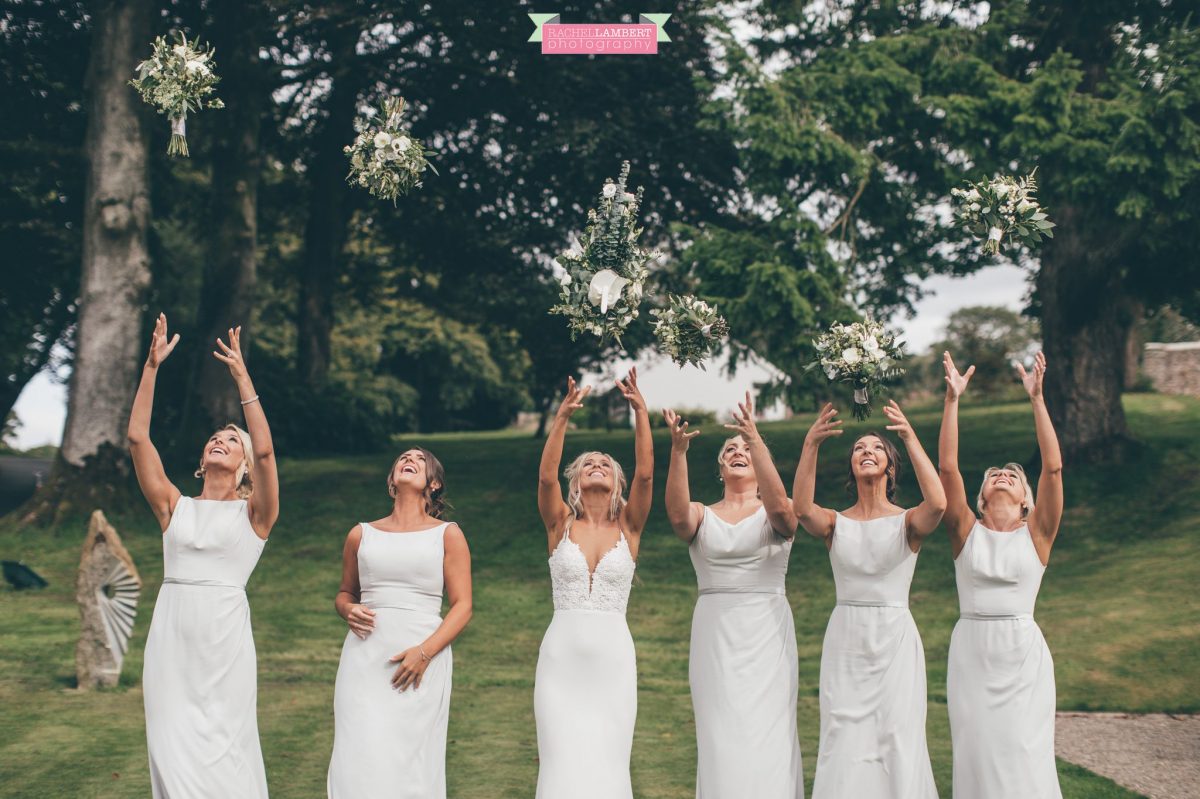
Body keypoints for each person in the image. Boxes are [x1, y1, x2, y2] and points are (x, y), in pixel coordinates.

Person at [130, 315, 278, 798]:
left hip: (224, 640)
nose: (221, 440)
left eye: (233, 440)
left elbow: (269, 454)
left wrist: (241, 377)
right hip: (171, 638)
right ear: (202, 457)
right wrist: (151, 367)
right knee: (171, 750)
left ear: (243, 466)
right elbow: (137, 439)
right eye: (216, 436)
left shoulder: (256, 516)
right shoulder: (175, 507)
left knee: (224, 749)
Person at [794, 400, 944, 799]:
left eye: (876, 448)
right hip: (846, 638)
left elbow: (940, 504)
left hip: (894, 639)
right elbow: (801, 509)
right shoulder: (834, 523)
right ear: (852, 467)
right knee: (843, 733)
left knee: (896, 734)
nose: (866, 452)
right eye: (859, 448)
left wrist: (910, 437)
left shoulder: (907, 522)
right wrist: (810, 444)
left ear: (889, 467)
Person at [662, 392, 804, 798]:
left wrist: (755, 438)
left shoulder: (776, 509)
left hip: (767, 628)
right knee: (720, 730)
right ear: (720, 468)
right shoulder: (701, 514)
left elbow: (784, 516)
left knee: (768, 728)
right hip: (715, 633)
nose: (737, 452)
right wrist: (678, 451)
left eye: (745, 449)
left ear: (760, 466)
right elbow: (675, 515)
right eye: (730, 449)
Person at [939, 351, 1064, 798]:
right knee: (976, 755)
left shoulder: (1038, 535)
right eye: (994, 474)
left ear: (1027, 499)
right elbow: (948, 469)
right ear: (981, 498)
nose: (1003, 475)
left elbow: (1052, 467)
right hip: (971, 653)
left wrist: (1037, 399)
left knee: (1023, 754)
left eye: (1012, 475)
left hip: (1022, 656)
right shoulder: (964, 533)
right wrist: (952, 401)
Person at [327, 447, 472, 798]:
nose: (409, 460)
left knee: (410, 756)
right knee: (359, 750)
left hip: (421, 656)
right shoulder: (360, 534)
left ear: (434, 483)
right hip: (364, 657)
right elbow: (345, 593)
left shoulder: (447, 534)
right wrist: (347, 610)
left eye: (419, 460)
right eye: (403, 459)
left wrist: (424, 653)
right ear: (392, 479)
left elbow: (463, 606)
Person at [533, 371, 653, 799]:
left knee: (608, 757)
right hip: (560, 659)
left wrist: (640, 411)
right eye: (588, 464)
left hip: (613, 660)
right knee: (560, 757)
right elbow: (546, 480)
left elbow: (646, 477)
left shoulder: (630, 527)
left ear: (615, 482)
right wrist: (562, 416)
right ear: (578, 482)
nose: (597, 466)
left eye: (605, 464)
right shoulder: (559, 524)